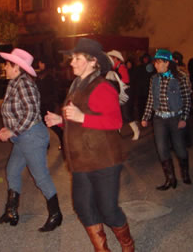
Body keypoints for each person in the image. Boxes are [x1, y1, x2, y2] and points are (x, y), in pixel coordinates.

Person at [45, 38, 134, 252]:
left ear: (93, 61)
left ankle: (128, 246)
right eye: (72, 58)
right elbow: (78, 116)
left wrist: (81, 117)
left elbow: (115, 122)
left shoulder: (102, 87)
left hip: (104, 160)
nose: (71, 62)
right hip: (81, 160)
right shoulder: (76, 85)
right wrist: (61, 120)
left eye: (77, 58)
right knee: (83, 207)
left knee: (108, 211)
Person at [0, 48, 62, 232]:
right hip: (22, 136)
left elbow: (31, 113)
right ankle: (11, 211)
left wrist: (11, 130)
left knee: (40, 177)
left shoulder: (24, 84)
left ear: (16, 67)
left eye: (7, 64)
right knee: (12, 170)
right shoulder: (15, 82)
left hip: (31, 136)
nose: (4, 66)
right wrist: (9, 128)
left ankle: (56, 214)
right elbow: (20, 111)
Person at [141, 49, 192, 191]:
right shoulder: (154, 79)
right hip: (159, 119)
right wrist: (146, 117)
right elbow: (150, 100)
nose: (156, 65)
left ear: (167, 63)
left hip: (175, 118)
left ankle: (185, 173)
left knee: (179, 148)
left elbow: (187, 99)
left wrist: (184, 118)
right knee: (162, 149)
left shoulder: (180, 77)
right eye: (155, 63)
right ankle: (170, 179)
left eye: (158, 62)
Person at [107, 50, 140, 140]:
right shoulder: (113, 68)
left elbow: (126, 80)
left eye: (111, 58)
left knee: (126, 114)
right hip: (117, 93)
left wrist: (116, 80)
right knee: (117, 113)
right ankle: (117, 133)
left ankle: (136, 130)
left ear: (115, 58)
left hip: (124, 93)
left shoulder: (121, 67)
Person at [35, 57, 64, 150]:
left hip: (47, 104)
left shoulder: (49, 76)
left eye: (40, 63)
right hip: (41, 104)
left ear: (44, 64)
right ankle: (46, 144)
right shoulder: (40, 75)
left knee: (52, 125)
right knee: (42, 125)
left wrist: (52, 102)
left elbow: (54, 91)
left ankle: (63, 139)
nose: (39, 64)